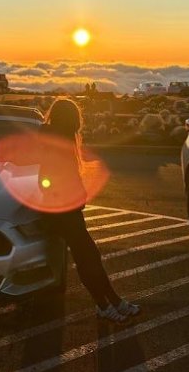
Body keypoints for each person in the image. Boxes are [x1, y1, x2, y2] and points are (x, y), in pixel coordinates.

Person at [39, 98, 140, 323]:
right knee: (87, 259)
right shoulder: (56, 138)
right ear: (70, 119)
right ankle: (105, 304)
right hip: (63, 210)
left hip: (68, 208)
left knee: (89, 257)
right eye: (76, 118)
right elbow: (48, 175)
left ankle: (113, 302)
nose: (79, 123)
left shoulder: (55, 135)